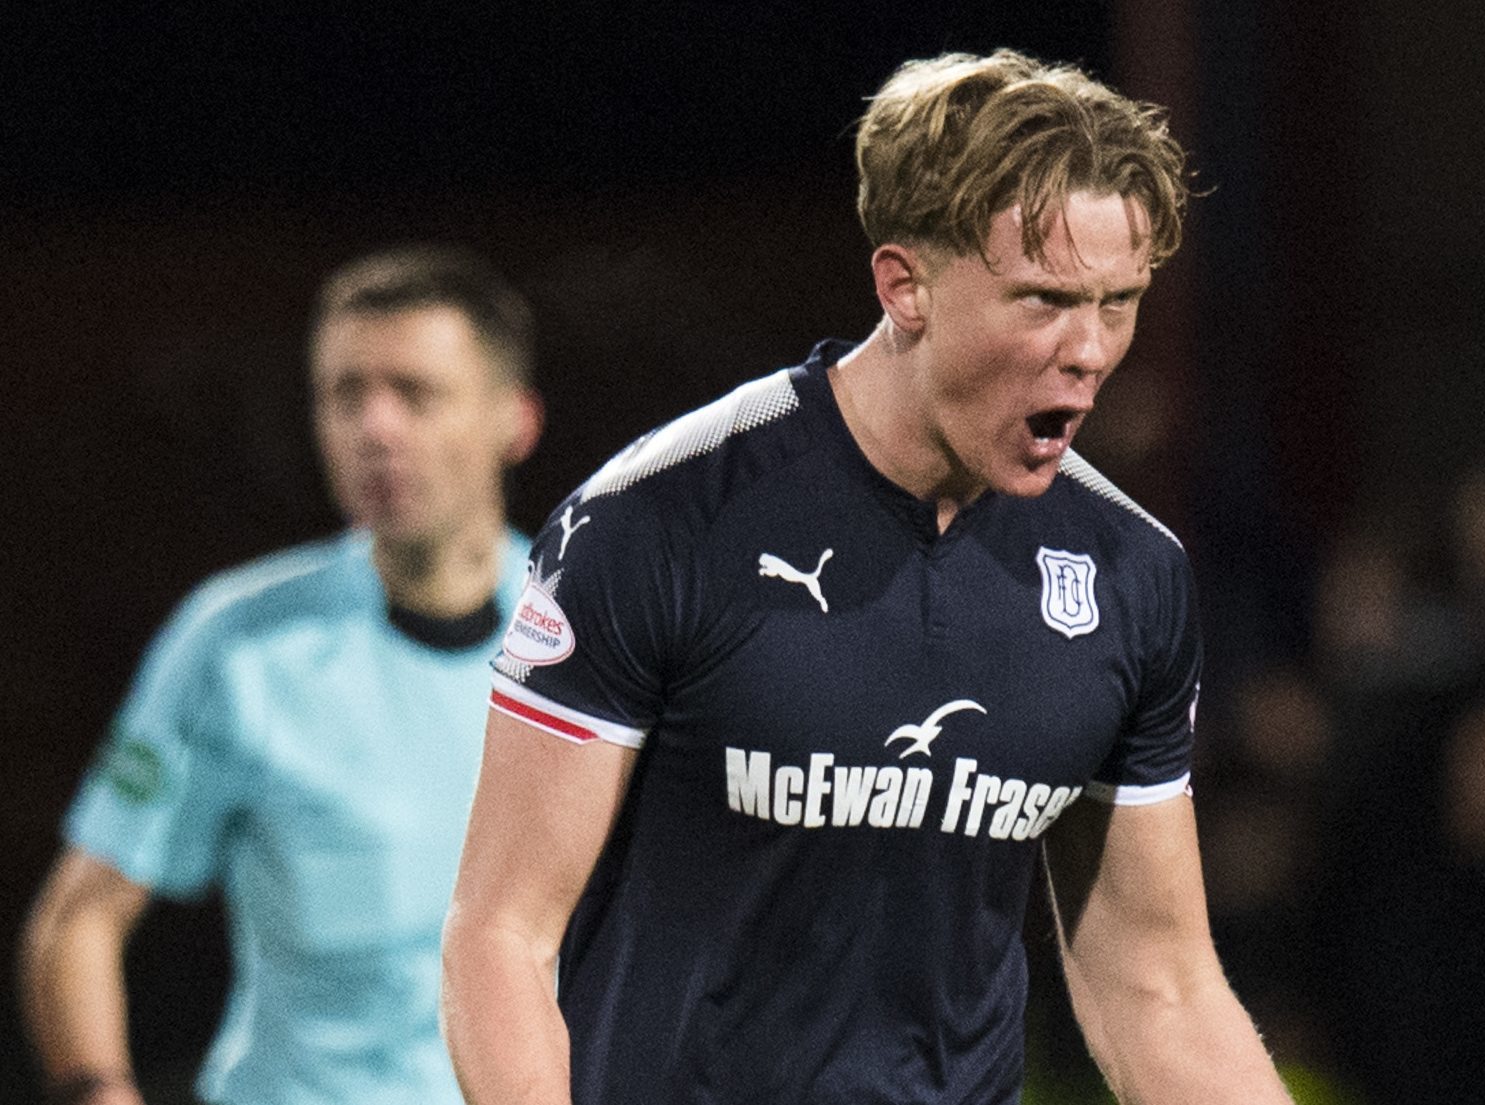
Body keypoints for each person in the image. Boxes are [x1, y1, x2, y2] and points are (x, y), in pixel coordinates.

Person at [441, 49, 1294, 1105]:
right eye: (1043, 300)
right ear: (905, 286)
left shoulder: (1129, 574)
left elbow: (1155, 985)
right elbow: (501, 934)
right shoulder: (661, 520)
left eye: (1117, 303)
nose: (1088, 350)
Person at [19, 245, 544, 1105]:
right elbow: (77, 919)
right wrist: (94, 1091)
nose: (374, 427)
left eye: (414, 393)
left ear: (514, 421)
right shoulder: (236, 644)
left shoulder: (599, 634)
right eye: (345, 394)